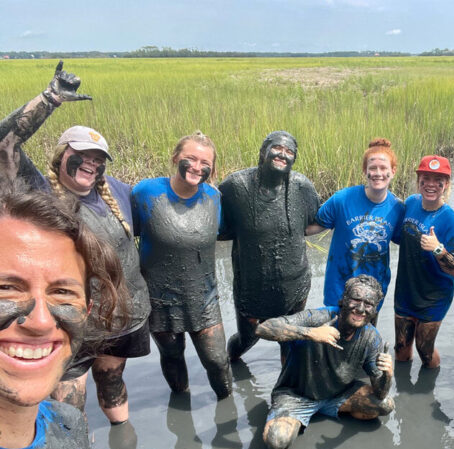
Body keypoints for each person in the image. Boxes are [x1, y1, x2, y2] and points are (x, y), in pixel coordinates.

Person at [0, 61, 151, 425]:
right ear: (61, 154)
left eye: (99, 160)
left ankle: (125, 445)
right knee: (69, 402)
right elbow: (3, 142)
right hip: (74, 324)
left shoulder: (118, 191)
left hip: (126, 317)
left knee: (112, 379)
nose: (92, 165)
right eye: (83, 155)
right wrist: (51, 98)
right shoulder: (39, 193)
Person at [0, 184, 126, 449]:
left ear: (86, 312)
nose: (40, 322)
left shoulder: (69, 426)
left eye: (62, 295)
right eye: (6, 288)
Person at [131, 132, 232, 400]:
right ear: (175, 158)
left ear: (213, 168)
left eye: (205, 162)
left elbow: (221, 233)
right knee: (172, 356)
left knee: (217, 360)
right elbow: (125, 236)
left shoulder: (214, 197)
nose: (197, 167)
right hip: (159, 297)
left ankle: (228, 410)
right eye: (190, 158)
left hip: (204, 296)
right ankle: (181, 405)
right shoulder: (146, 192)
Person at [255, 275, 394, 449]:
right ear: (343, 300)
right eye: (355, 300)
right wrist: (310, 333)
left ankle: (327, 410)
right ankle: (302, 415)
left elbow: (381, 392)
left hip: (338, 394)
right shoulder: (317, 318)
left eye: (368, 304)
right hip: (297, 395)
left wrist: (388, 375)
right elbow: (263, 329)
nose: (360, 309)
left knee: (385, 405)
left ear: (374, 310)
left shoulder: (371, 337)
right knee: (276, 442)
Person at [219, 131, 320, 362]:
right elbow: (216, 225)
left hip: (295, 286)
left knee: (291, 340)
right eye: (277, 148)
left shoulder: (301, 186)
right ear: (263, 151)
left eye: (289, 152)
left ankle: (287, 388)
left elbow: (316, 221)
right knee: (247, 339)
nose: (282, 155)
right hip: (251, 287)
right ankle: (230, 363)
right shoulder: (236, 186)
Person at [307, 138, 405, 323]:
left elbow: (407, 243)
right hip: (339, 289)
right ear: (365, 171)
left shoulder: (398, 208)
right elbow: (310, 228)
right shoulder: (342, 199)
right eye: (372, 168)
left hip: (374, 291)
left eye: (383, 168)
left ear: (393, 171)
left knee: (366, 343)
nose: (378, 173)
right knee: (335, 341)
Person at [393, 155, 454, 368]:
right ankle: (404, 396)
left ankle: (427, 396)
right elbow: (397, 236)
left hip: (433, 297)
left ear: (447, 184)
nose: (431, 184)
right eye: (426, 178)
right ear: (418, 181)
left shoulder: (451, 220)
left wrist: (438, 249)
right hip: (406, 291)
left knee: (425, 350)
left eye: (438, 180)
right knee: (401, 348)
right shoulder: (411, 203)